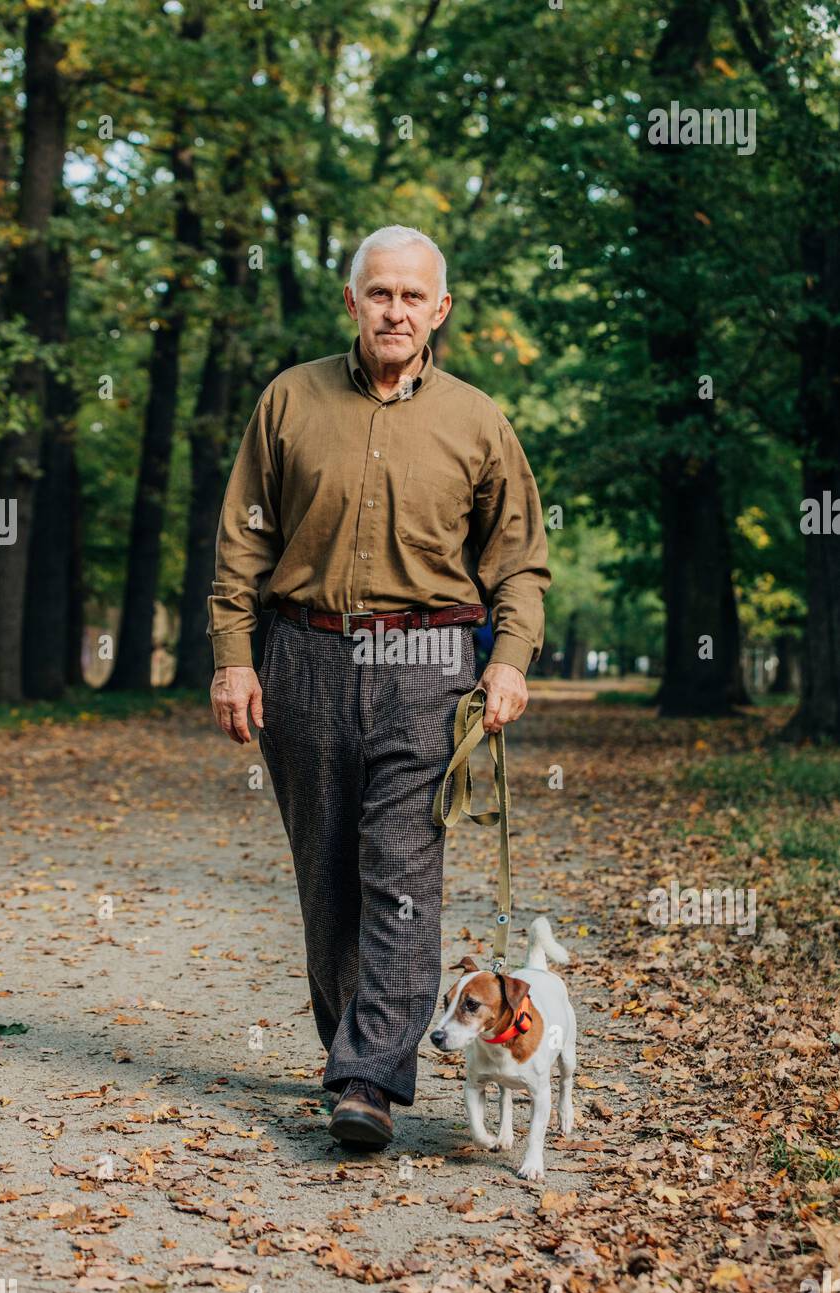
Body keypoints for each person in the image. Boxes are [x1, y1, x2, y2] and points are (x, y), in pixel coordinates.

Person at [207, 224, 551, 1149]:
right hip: (305, 656)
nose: (395, 310)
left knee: (401, 873)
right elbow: (243, 541)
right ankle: (353, 1044)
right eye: (379, 292)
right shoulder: (288, 400)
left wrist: (508, 659)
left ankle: (367, 1079)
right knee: (328, 877)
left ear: (439, 310)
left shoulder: (478, 420)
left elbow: (518, 562)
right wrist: (234, 654)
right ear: (351, 301)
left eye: (413, 296)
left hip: (429, 665)